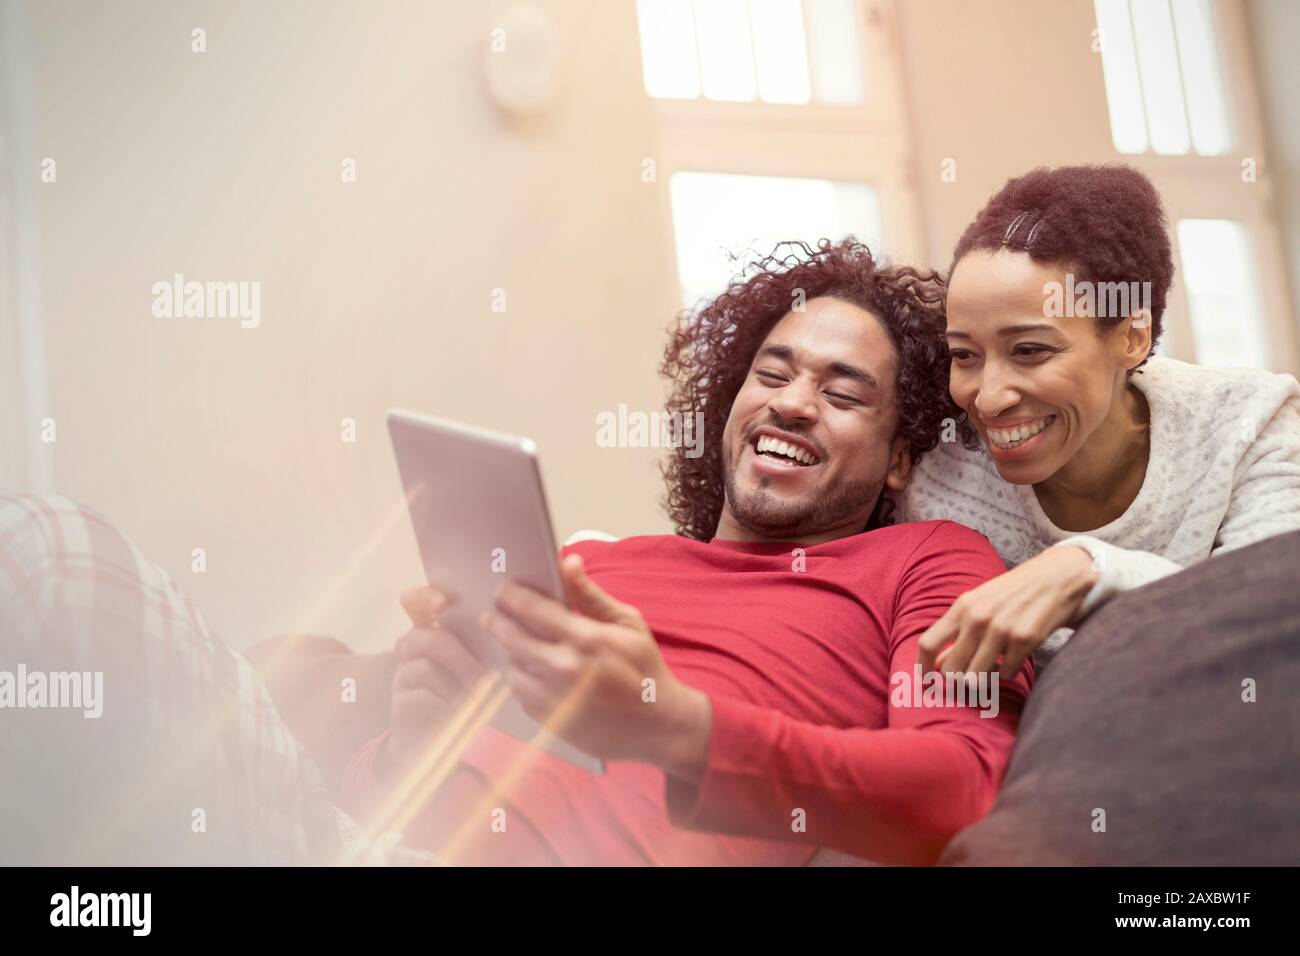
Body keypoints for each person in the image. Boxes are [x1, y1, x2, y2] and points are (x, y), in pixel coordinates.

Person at [340, 240, 1032, 866]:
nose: (791, 404)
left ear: (899, 460)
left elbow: (961, 786)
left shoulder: (927, 560)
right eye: (770, 374)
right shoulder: (596, 567)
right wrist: (411, 742)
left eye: (842, 392)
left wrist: (673, 726)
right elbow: (368, 806)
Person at [898, 165, 1300, 683]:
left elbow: (1279, 609)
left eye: (1030, 350)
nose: (990, 399)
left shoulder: (1246, 422)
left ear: (1132, 338)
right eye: (965, 355)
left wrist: (1091, 571)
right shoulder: (943, 482)